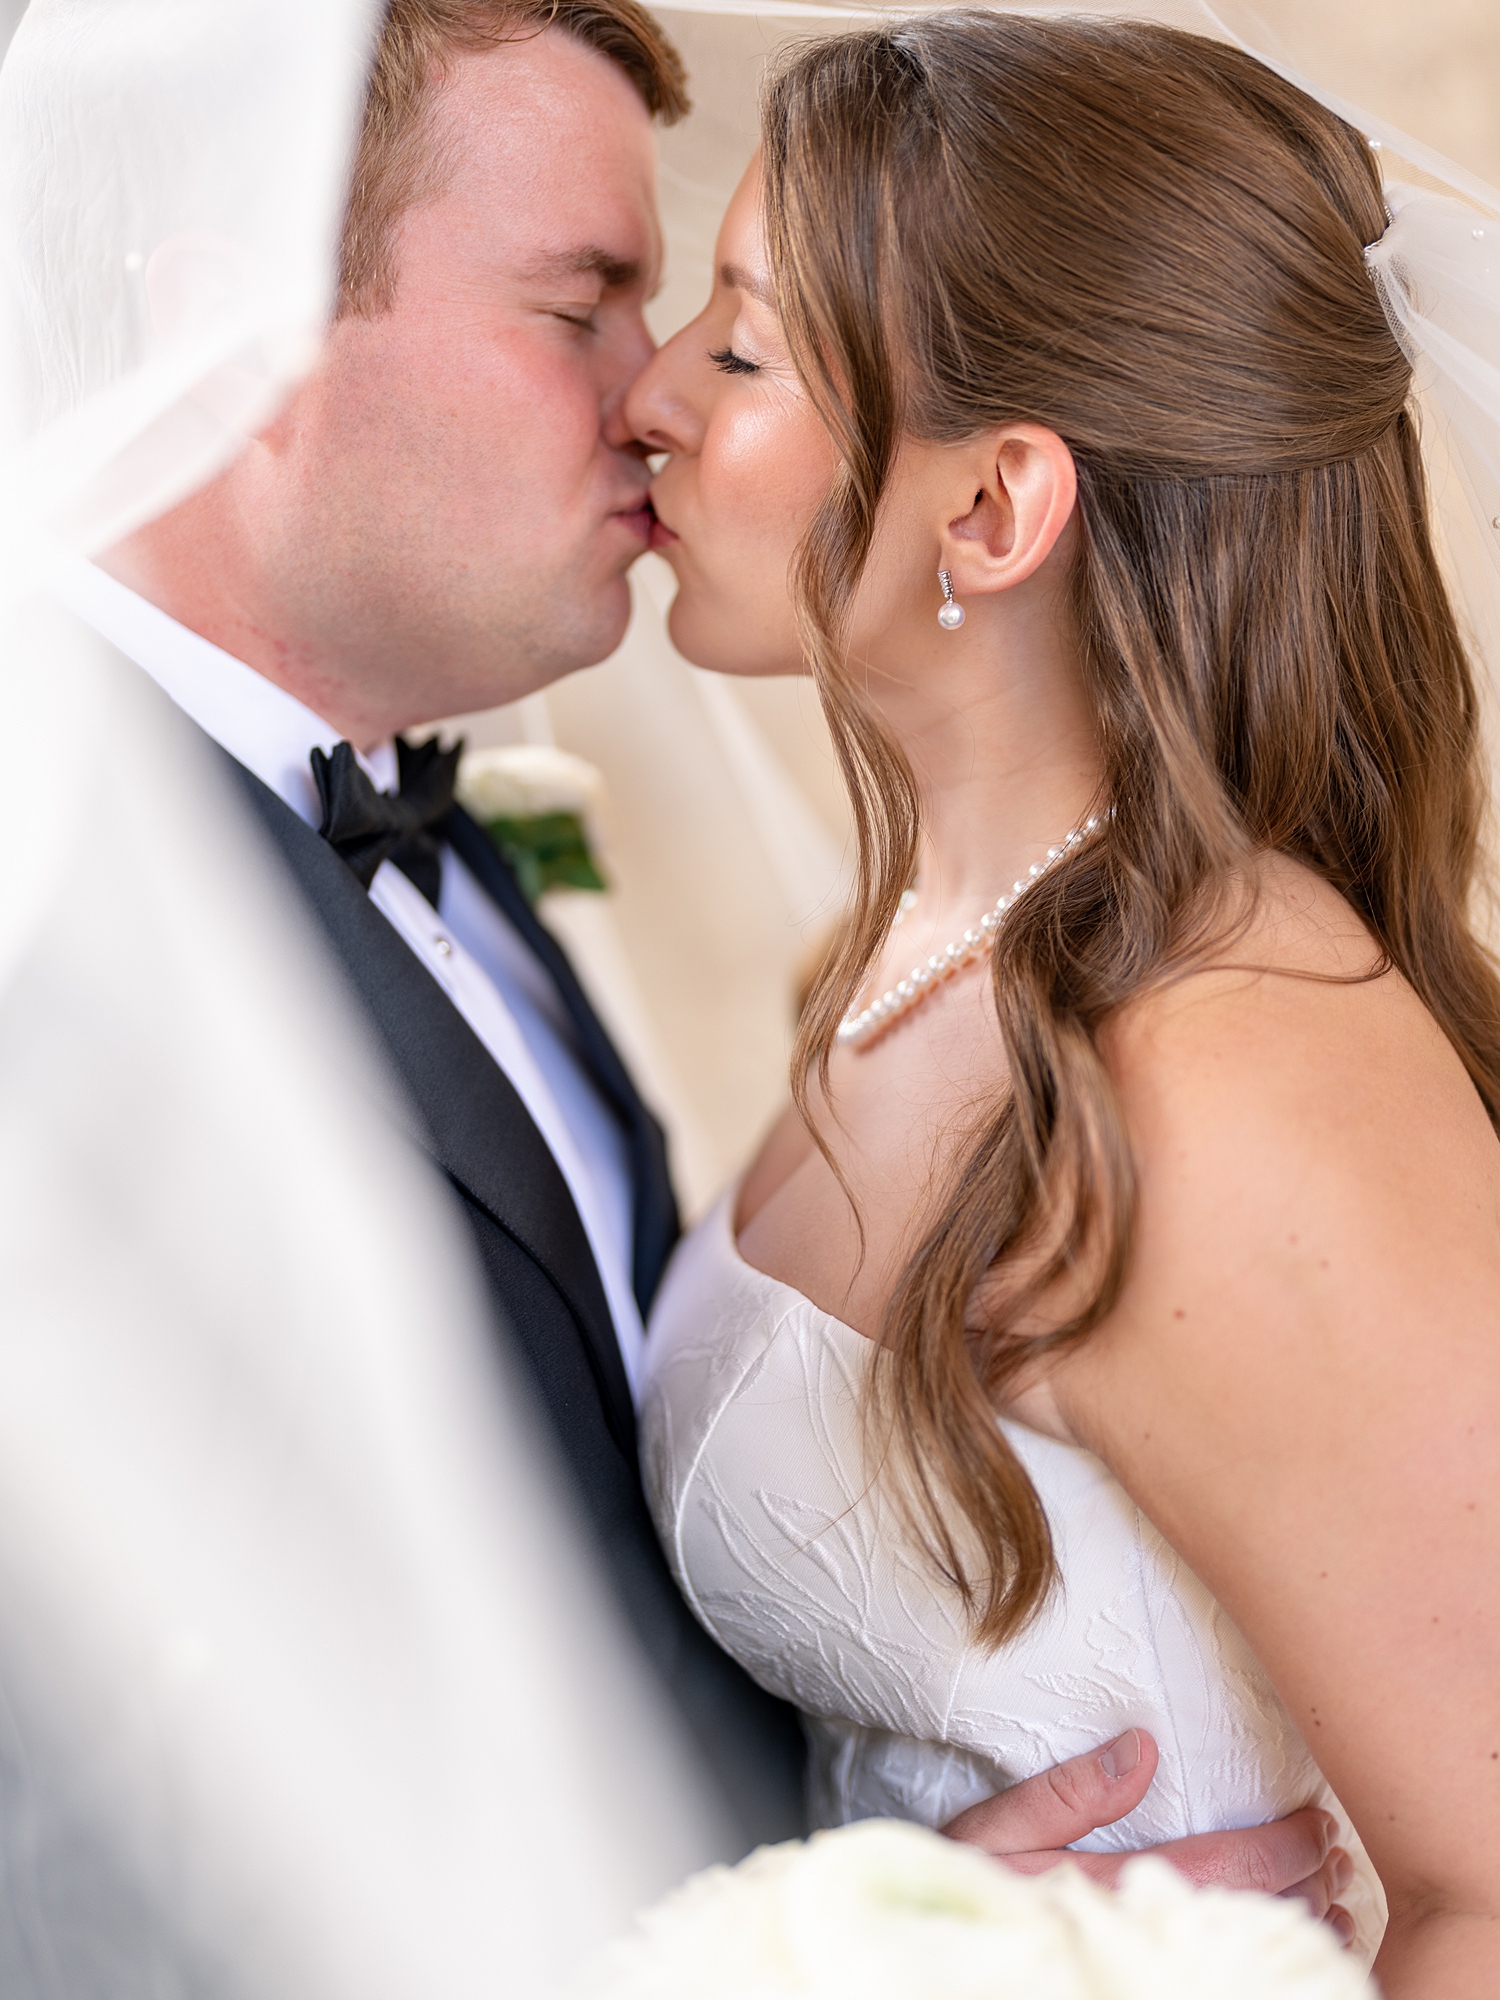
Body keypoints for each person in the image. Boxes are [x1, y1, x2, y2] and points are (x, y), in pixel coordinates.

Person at [49, 0, 1346, 1899]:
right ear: (233, 339)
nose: (649, 394)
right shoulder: (57, 941)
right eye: (577, 307)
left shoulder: (445, 829)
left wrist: (895, 1913)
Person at [629, 9, 1500, 1990]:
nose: (651, 395)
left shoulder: (1225, 1063)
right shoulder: (951, 951)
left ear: (994, 512)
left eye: (743, 345)